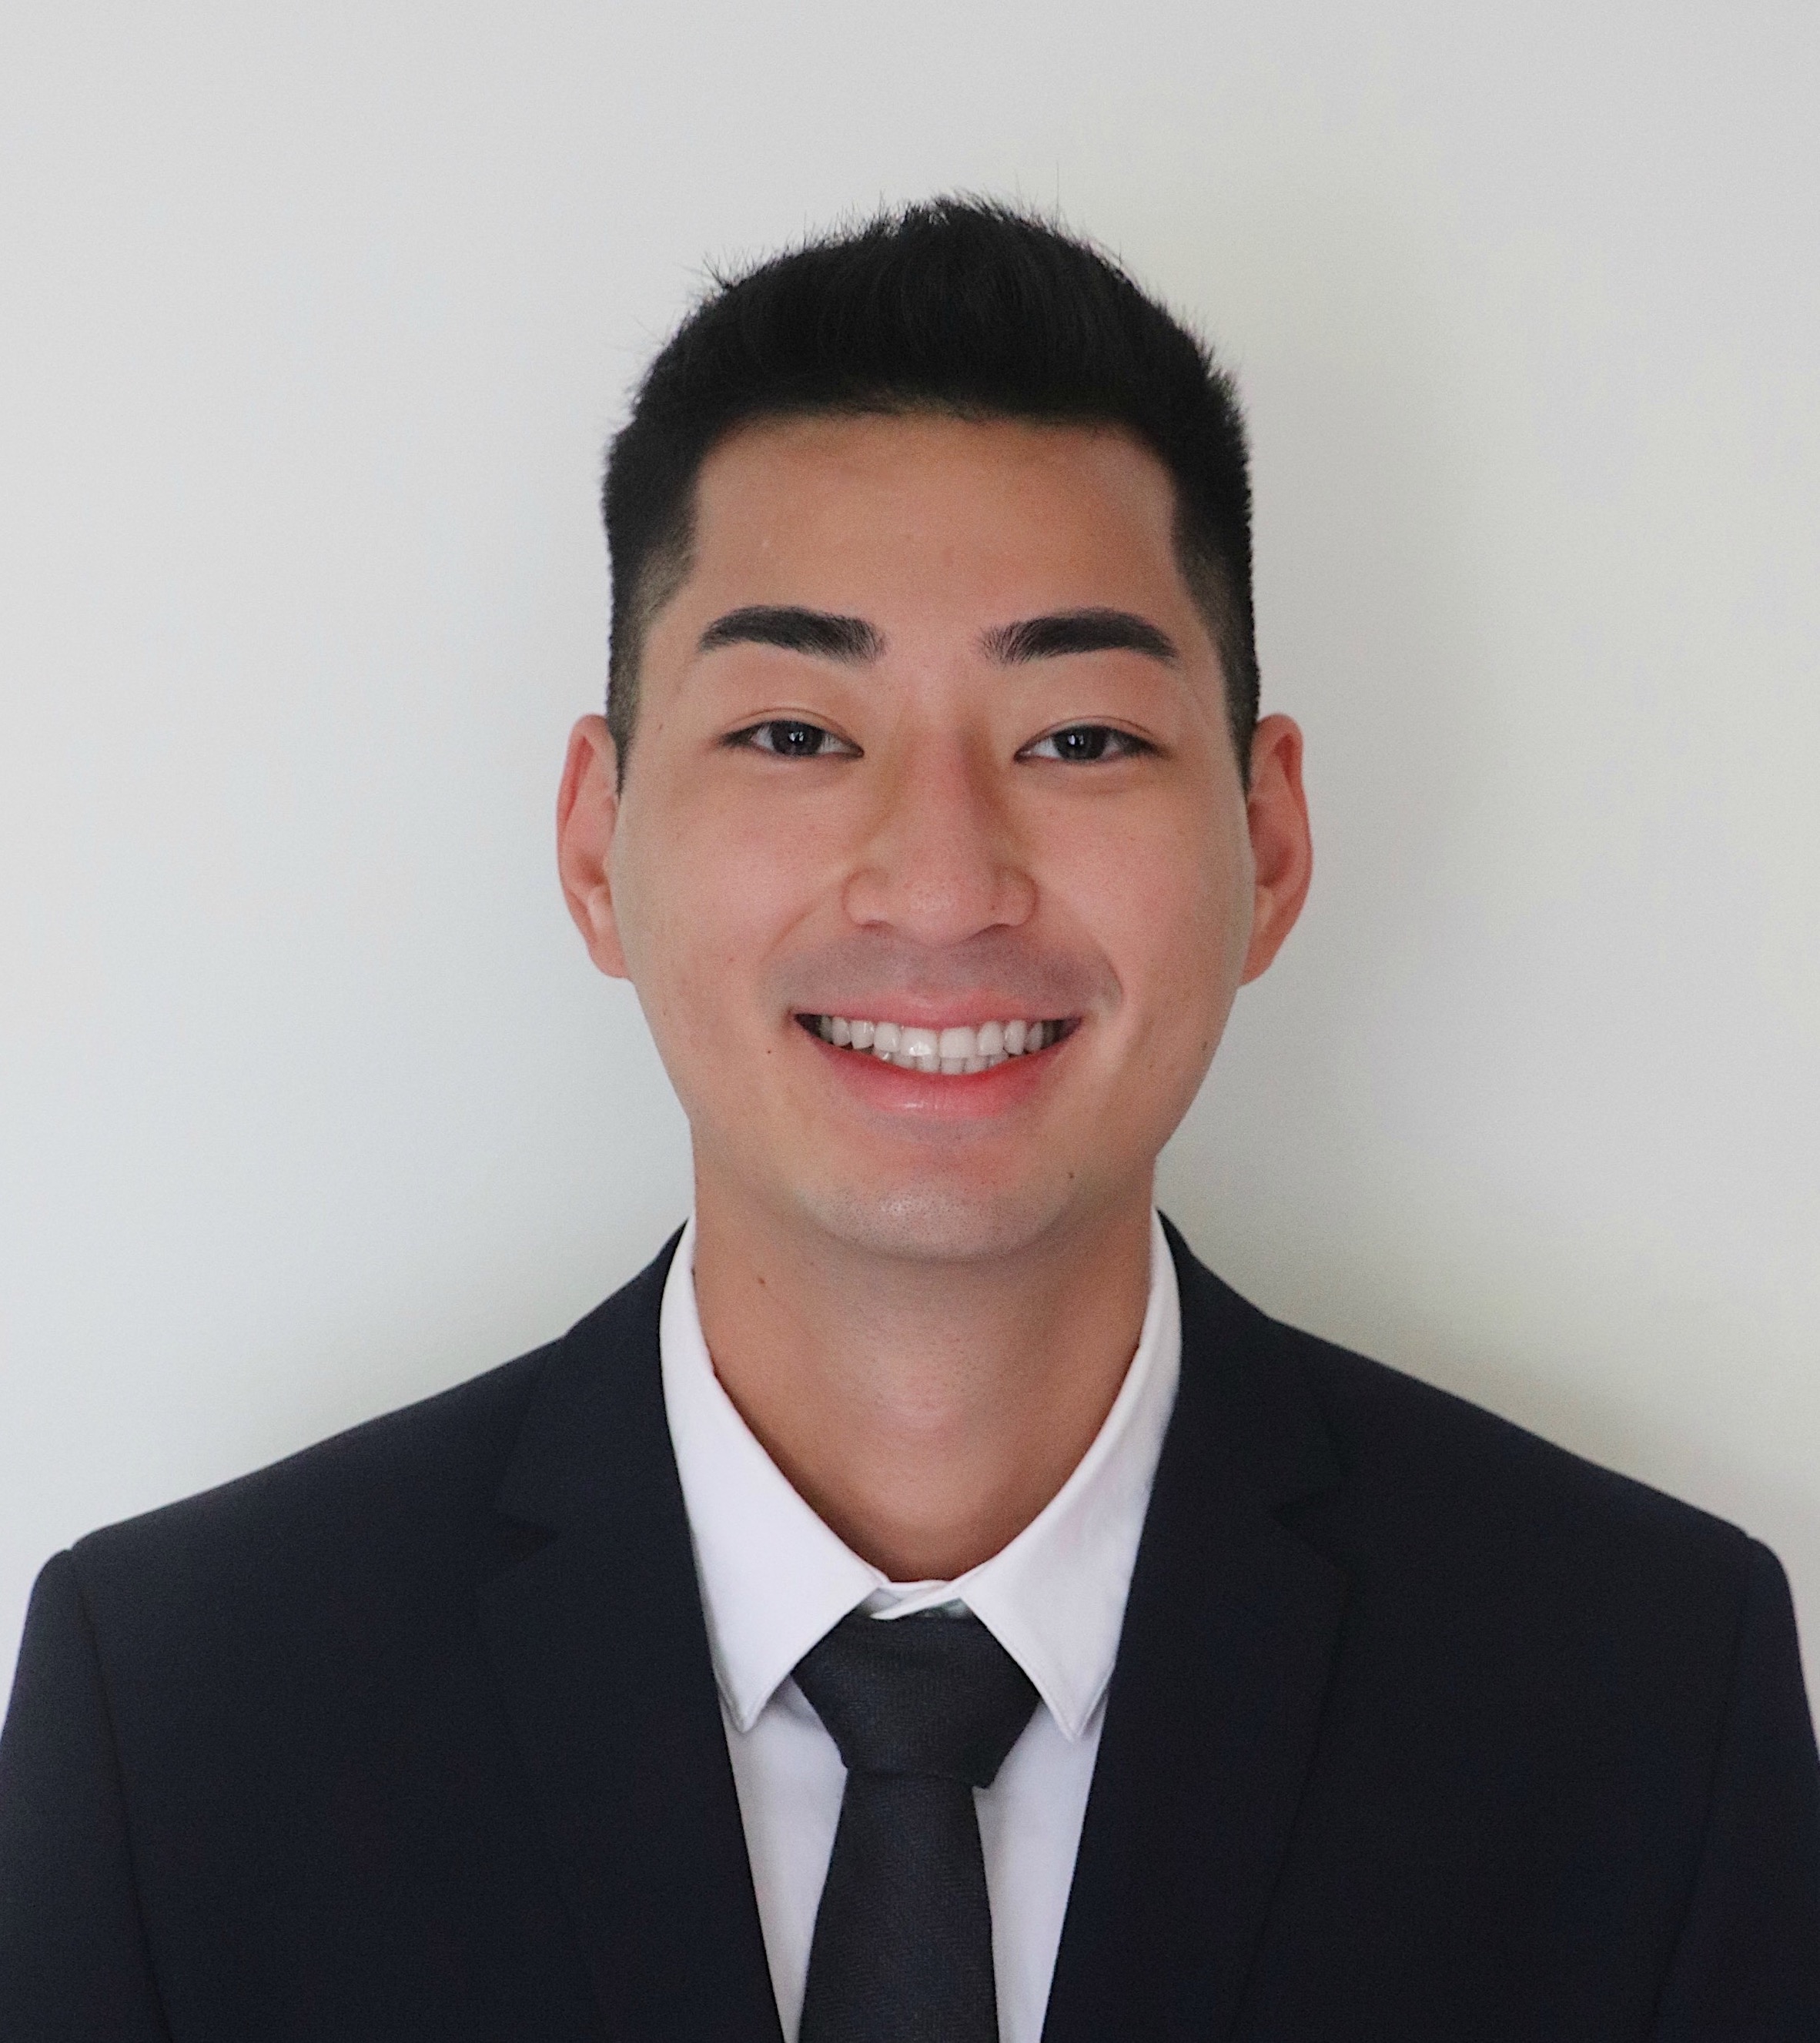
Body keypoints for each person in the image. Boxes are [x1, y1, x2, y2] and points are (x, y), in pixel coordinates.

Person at [2, 199, 1815, 2043]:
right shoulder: (183, 1716)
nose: (942, 886)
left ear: (1267, 843)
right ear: (596, 843)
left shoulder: (1647, 1702)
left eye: (1080, 737)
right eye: (797, 734)